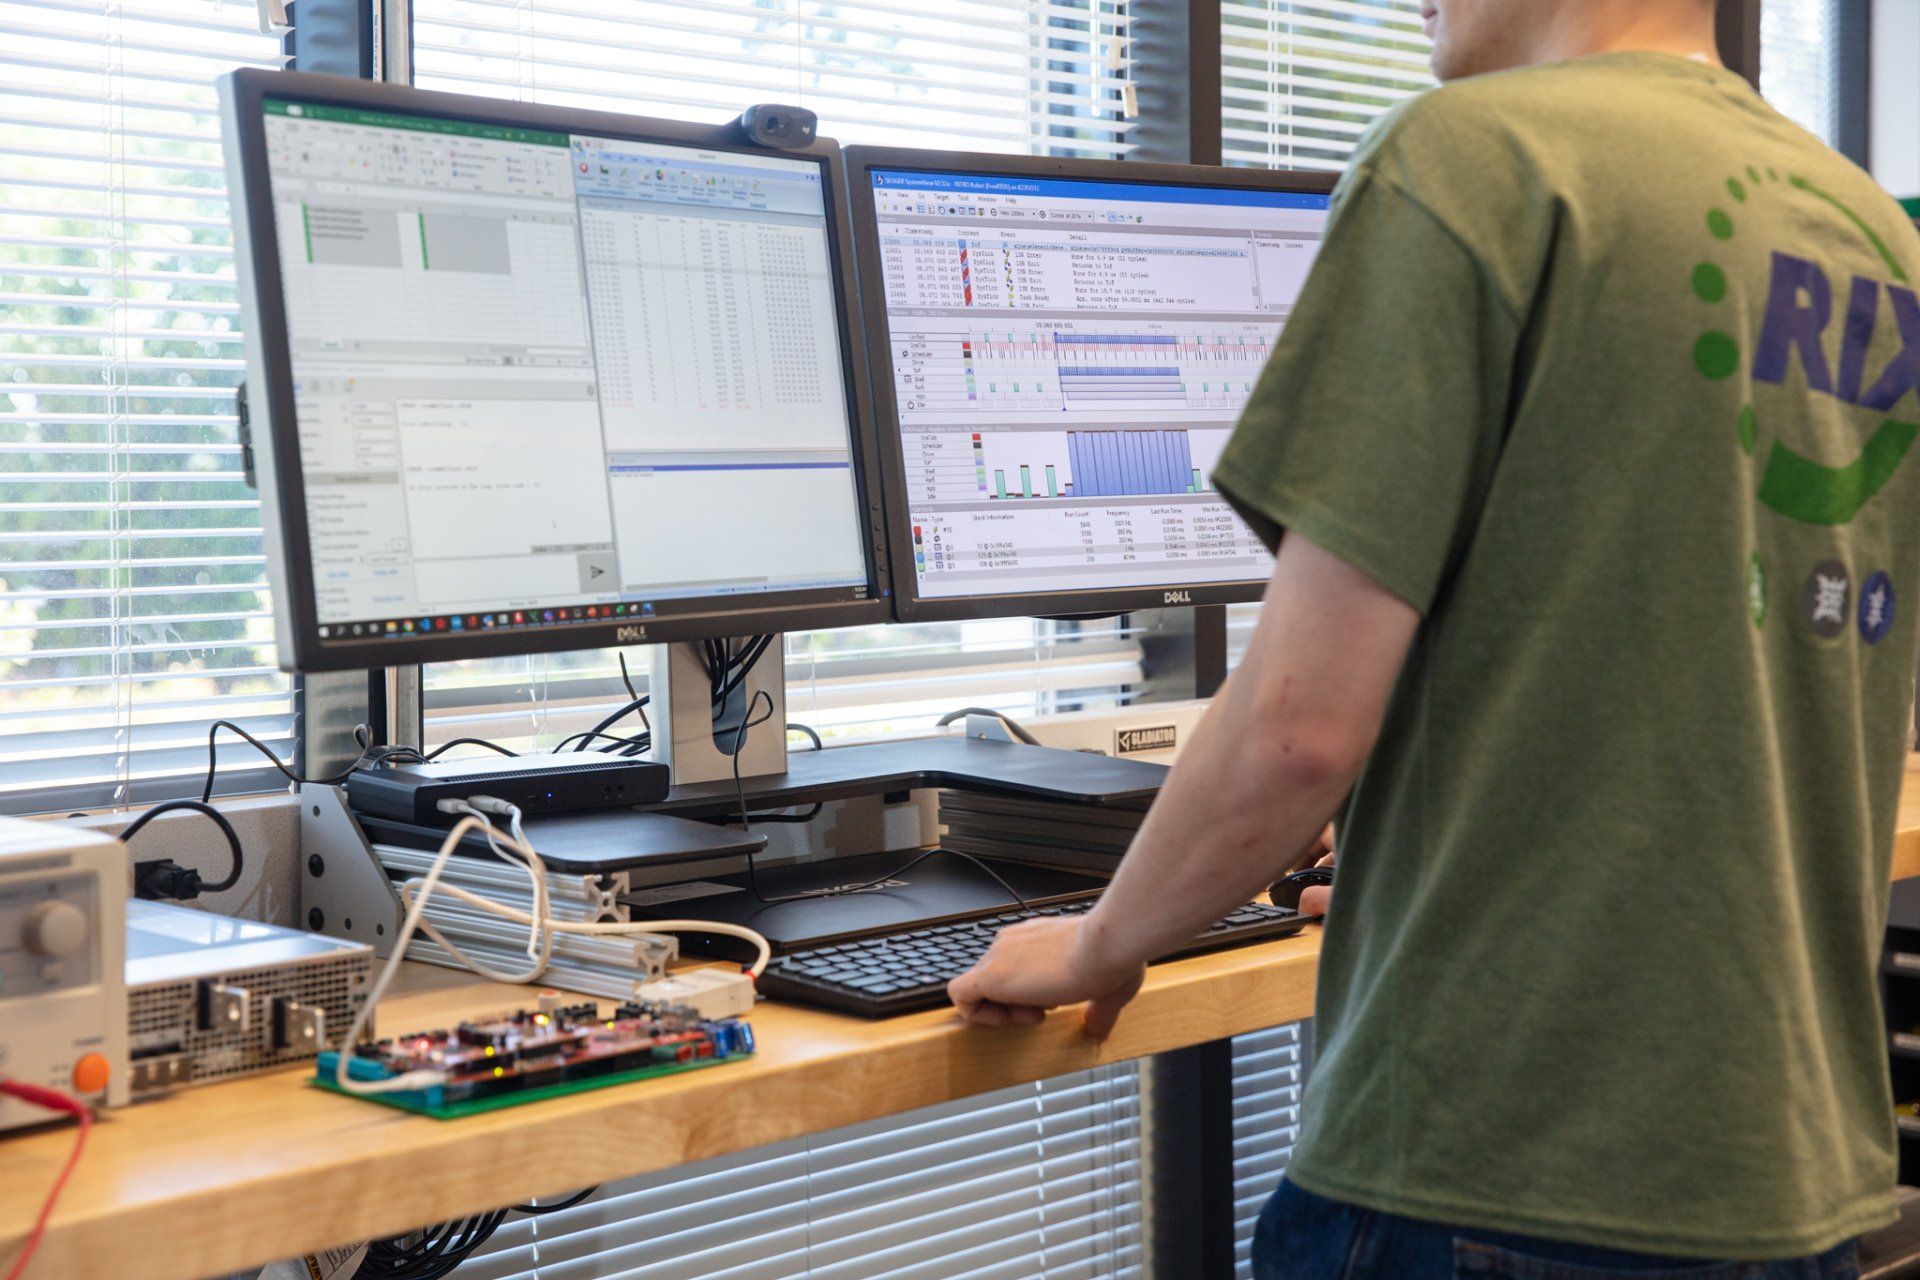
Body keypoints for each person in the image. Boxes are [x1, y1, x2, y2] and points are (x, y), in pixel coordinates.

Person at [947, 0, 1920, 1274]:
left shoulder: (1473, 158)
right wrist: (1448, 874)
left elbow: (1297, 729)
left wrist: (1096, 939)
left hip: (1495, 1168)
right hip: (1781, 1179)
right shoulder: (1865, 224)